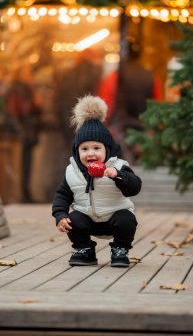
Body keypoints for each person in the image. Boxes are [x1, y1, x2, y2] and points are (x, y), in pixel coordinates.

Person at [52, 95, 142, 268]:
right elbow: (62, 195)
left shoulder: (118, 166)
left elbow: (135, 187)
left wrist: (118, 175)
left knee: (127, 219)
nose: (90, 153)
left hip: (114, 218)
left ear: (107, 150)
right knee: (73, 219)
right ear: (77, 151)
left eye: (96, 148)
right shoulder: (73, 171)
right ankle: (84, 249)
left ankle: (120, 249)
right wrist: (60, 215)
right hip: (88, 218)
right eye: (84, 149)